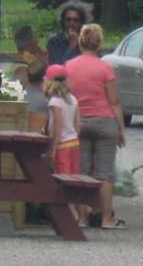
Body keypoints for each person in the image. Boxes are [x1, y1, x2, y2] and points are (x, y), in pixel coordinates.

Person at [65, 23, 126, 229]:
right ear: (99, 43)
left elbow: (67, 97)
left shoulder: (69, 66)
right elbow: (114, 101)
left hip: (79, 122)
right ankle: (106, 219)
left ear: (81, 41)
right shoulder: (105, 67)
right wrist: (121, 129)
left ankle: (82, 218)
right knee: (105, 174)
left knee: (82, 173)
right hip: (105, 122)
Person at [44, 64, 85, 225]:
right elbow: (78, 124)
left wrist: (53, 149)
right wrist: (74, 136)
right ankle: (78, 214)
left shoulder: (55, 102)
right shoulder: (73, 99)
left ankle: (70, 215)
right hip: (74, 142)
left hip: (62, 145)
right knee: (74, 179)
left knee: (63, 180)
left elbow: (57, 126)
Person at [14, 26, 49, 132]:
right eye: (35, 36)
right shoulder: (26, 60)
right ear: (30, 42)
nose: (38, 40)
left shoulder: (26, 57)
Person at [47, 0, 92, 64]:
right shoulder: (55, 40)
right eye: (68, 20)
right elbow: (57, 66)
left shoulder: (87, 40)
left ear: (81, 22)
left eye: (75, 20)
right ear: (63, 21)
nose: (71, 23)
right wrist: (72, 46)